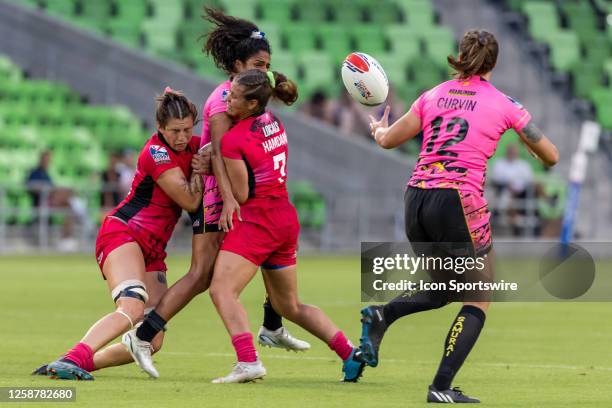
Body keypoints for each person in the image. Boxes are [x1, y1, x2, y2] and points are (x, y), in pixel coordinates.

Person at [360, 29, 559, 403]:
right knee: (478, 295)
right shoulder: (504, 103)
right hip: (456, 201)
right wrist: (535, 152)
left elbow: (387, 140)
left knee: (443, 289)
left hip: (416, 199)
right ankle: (440, 387)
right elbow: (552, 156)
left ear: (461, 56)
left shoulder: (433, 94)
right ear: (494, 63)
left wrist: (376, 128)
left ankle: (381, 316)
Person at [121, 7, 309, 379]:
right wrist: (228, 199)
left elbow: (217, 150)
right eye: (258, 62)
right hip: (214, 199)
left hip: (228, 197)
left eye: (268, 64)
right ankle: (143, 336)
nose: (265, 70)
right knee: (203, 275)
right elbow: (221, 155)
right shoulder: (226, 102)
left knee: (232, 268)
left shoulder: (243, 96)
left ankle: (270, 325)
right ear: (237, 64)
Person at [205, 69, 365, 383]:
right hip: (284, 219)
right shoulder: (275, 122)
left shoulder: (234, 139)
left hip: (258, 221)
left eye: (234, 96)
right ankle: (350, 353)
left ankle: (248, 362)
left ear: (251, 104)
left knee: (222, 290)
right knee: (288, 305)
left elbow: (241, 194)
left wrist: (215, 160)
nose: (227, 99)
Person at [39, 88, 203, 380]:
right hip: (124, 233)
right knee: (132, 305)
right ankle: (72, 357)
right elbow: (190, 201)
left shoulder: (195, 147)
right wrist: (204, 168)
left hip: (154, 249)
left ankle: (75, 363)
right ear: (159, 128)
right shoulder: (156, 152)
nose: (181, 137)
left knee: (152, 340)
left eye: (187, 130)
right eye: (174, 130)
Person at [26, 150, 90, 251]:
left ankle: (67, 237)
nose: (48, 161)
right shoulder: (35, 173)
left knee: (69, 205)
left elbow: (52, 188)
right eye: (46, 159)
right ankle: (82, 214)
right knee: (69, 196)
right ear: (41, 159)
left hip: (52, 200)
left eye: (49, 159)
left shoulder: (46, 174)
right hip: (42, 202)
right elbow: (32, 187)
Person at [490, 144, 535, 236]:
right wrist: (509, 184)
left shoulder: (523, 164)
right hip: (504, 191)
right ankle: (515, 225)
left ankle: (515, 222)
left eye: (514, 151)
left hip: (522, 192)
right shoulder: (499, 163)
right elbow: (496, 179)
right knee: (507, 194)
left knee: (536, 187)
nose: (512, 153)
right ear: (507, 152)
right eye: (510, 151)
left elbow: (530, 180)